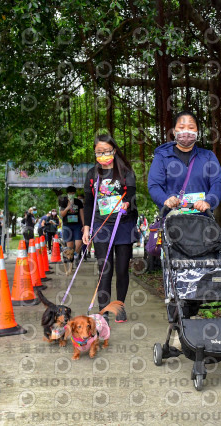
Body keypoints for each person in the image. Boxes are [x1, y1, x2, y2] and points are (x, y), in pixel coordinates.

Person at [83, 134, 139, 323]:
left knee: (122, 269)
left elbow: (131, 193)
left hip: (124, 225)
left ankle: (119, 307)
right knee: (104, 269)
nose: (103, 155)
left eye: (107, 151)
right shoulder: (92, 174)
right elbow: (88, 203)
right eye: (99, 152)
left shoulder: (125, 171)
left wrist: (126, 203)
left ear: (114, 151)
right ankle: (103, 312)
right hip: (101, 225)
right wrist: (86, 228)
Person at [147, 110, 221, 216]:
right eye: (181, 127)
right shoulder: (162, 157)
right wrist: (166, 200)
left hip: (203, 222)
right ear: (174, 132)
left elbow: (217, 183)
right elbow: (154, 185)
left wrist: (208, 202)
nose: (186, 131)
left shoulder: (208, 156)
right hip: (173, 222)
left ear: (197, 131)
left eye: (191, 127)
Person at [59, 187, 85, 264]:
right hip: (67, 225)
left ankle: (76, 256)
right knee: (70, 246)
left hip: (77, 225)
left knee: (79, 243)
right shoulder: (63, 201)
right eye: (70, 193)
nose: (71, 195)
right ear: (67, 193)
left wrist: (84, 225)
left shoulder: (78, 202)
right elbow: (62, 214)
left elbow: (81, 214)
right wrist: (68, 207)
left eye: (73, 193)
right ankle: (70, 259)